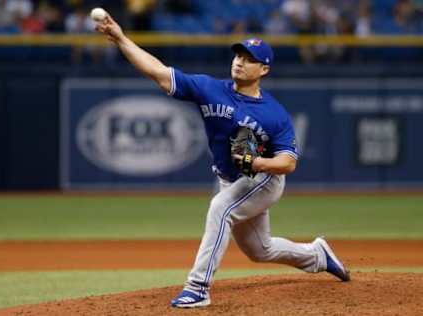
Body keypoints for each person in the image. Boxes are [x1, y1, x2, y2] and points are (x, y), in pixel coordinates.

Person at [95, 14, 350, 309]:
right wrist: (122, 40)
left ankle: (198, 287)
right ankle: (317, 255)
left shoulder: (274, 114)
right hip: (231, 178)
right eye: (238, 56)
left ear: (264, 69)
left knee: (221, 207)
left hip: (264, 179)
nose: (239, 62)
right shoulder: (209, 88)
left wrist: (257, 164)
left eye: (249, 59)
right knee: (260, 250)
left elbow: (287, 163)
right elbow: (160, 73)